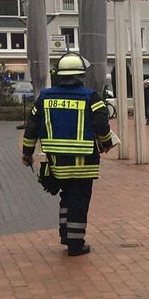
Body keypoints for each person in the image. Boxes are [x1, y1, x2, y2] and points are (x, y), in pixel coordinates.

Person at [21, 53, 115, 256]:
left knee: (66, 199)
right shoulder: (90, 97)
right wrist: (106, 142)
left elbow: (31, 127)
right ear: (81, 75)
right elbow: (101, 125)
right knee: (79, 201)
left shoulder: (45, 98)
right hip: (84, 163)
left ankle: (65, 235)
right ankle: (75, 243)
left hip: (57, 163)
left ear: (59, 75)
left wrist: (27, 154)